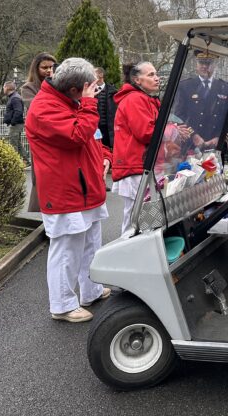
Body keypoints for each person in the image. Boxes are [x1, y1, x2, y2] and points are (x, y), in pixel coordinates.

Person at [25, 57, 112, 323]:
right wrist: (88, 104)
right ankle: (62, 304)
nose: (94, 93)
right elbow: (77, 135)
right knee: (66, 249)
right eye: (90, 89)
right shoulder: (44, 108)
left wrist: (105, 155)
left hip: (84, 187)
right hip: (66, 190)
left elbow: (91, 138)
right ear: (77, 88)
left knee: (89, 243)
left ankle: (90, 290)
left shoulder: (66, 101)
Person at [111, 62, 162, 235]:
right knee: (136, 219)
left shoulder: (147, 99)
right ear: (137, 80)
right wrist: (171, 130)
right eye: (150, 75)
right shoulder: (135, 99)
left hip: (141, 166)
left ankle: (140, 255)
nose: (156, 78)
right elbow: (147, 133)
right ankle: (127, 255)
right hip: (135, 166)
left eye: (156, 74)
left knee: (144, 217)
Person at [173, 49, 228, 152]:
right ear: (196, 64)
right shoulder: (185, 86)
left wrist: (220, 136)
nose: (204, 66)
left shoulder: (225, 87)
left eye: (208, 63)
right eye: (201, 63)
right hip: (191, 144)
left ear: (215, 65)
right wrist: (193, 135)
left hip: (216, 144)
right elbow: (179, 115)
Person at [21, 52, 57, 212]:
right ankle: (44, 209)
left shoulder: (60, 85)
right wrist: (50, 85)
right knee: (42, 174)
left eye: (52, 67)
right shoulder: (28, 88)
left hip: (58, 133)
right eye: (44, 68)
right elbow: (38, 108)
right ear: (36, 69)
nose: (49, 70)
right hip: (40, 137)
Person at [3, 81, 27, 162]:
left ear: (7, 88)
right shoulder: (13, 97)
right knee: (17, 143)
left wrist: (13, 122)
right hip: (16, 124)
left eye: (4, 87)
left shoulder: (15, 98)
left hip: (16, 124)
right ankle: (25, 160)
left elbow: (18, 111)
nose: (3, 89)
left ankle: (15, 162)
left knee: (13, 143)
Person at [94, 67, 117, 149]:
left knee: (108, 149)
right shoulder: (90, 90)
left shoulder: (112, 91)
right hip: (95, 127)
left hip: (108, 128)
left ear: (101, 75)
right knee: (96, 147)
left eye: (94, 73)